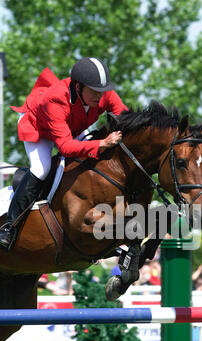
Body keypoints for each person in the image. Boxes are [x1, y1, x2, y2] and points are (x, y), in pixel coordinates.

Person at [0, 57, 127, 250]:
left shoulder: (104, 93)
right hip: (39, 127)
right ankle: (9, 227)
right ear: (78, 87)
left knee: (91, 163)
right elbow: (65, 147)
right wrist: (102, 143)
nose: (99, 97)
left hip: (70, 127)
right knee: (41, 169)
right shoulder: (56, 98)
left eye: (101, 91)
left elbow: (125, 119)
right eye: (94, 91)